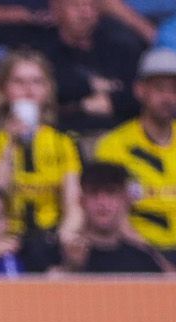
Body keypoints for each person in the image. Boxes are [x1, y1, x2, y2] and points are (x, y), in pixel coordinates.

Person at [0, 50, 83, 240]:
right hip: (2, 238)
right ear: (3, 89)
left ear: (48, 89)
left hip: (50, 236)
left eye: (37, 82)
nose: (28, 90)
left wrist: (63, 238)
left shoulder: (64, 140)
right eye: (19, 82)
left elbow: (73, 204)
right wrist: (11, 143)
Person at [94, 47, 176, 253]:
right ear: (140, 90)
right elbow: (109, 213)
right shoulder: (114, 145)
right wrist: (154, 259)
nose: (168, 97)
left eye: (174, 89)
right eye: (160, 88)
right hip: (135, 251)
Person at [48, 161, 173, 272]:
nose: (102, 202)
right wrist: (71, 268)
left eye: (111, 192)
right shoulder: (58, 252)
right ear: (81, 201)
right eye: (94, 193)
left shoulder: (142, 258)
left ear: (126, 200)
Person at [43, 0, 142, 135]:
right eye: (76, 6)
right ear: (56, 9)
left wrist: (113, 102)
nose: (86, 13)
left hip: (121, 135)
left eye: (92, 6)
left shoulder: (122, 48)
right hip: (63, 136)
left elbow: (140, 93)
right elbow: (47, 90)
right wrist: (86, 97)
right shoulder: (44, 51)